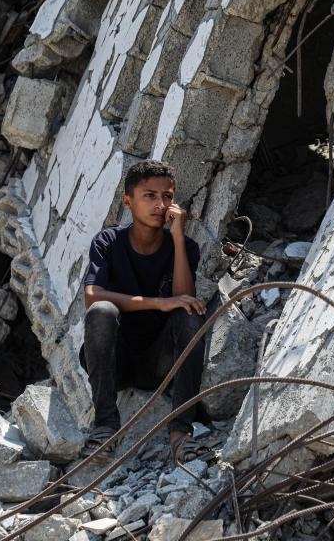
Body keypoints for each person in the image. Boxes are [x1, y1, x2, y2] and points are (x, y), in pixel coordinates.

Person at [80, 159, 210, 464]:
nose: (160, 204)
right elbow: (91, 296)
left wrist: (177, 238)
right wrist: (157, 302)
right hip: (116, 363)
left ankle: (180, 434)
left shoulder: (185, 247)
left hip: (160, 363)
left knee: (191, 314)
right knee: (101, 311)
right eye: (149, 196)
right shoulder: (108, 242)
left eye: (167, 196)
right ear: (128, 201)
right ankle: (105, 427)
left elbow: (185, 298)